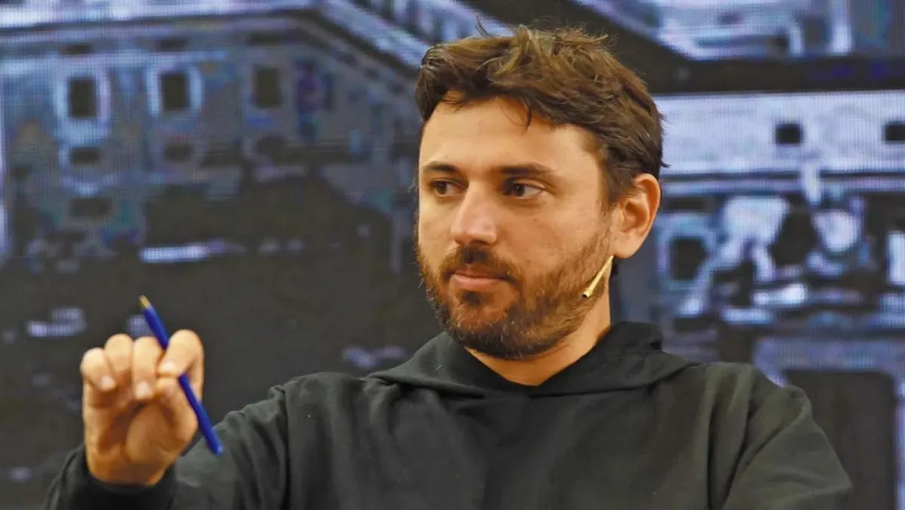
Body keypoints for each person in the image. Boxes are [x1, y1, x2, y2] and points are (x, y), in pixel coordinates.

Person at [43, 25, 851, 509]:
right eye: (443, 187)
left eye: (520, 188)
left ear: (629, 215)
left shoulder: (738, 431)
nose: (467, 227)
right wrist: (119, 484)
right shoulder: (303, 437)